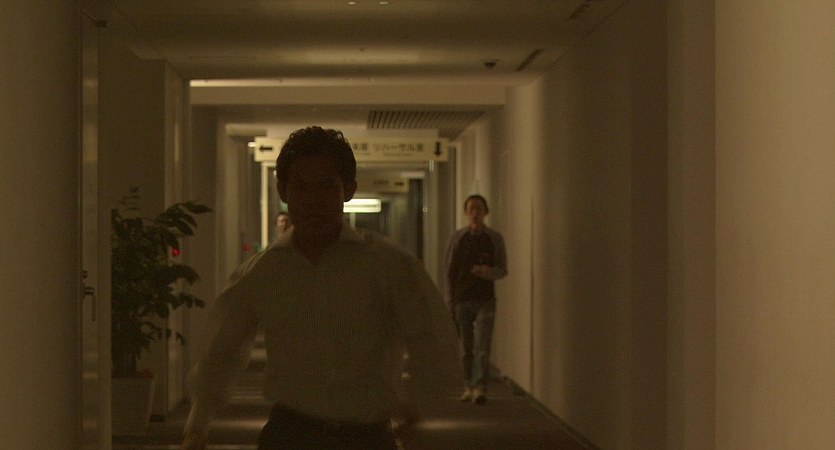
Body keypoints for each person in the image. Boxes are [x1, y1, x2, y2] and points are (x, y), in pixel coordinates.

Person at [181, 126, 459, 450]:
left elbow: (433, 339)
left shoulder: (387, 266)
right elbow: (222, 349)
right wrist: (197, 426)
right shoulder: (263, 272)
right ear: (283, 191)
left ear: (348, 189)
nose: (313, 200)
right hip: (290, 435)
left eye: (326, 186)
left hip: (365, 438)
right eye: (301, 187)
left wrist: (415, 409)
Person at [442, 194, 507, 405]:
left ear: (486, 212)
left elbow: (502, 269)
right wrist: (449, 301)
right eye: (471, 209)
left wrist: (487, 272)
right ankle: (468, 385)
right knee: (466, 347)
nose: (475, 213)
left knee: (482, 346)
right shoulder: (458, 239)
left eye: (479, 208)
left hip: (485, 299)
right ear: (466, 212)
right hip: (462, 298)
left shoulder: (494, 238)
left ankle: (480, 387)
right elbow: (449, 271)